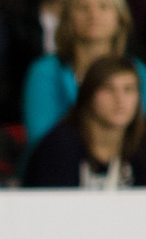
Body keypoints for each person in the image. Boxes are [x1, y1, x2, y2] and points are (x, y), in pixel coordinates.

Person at [22, 0, 146, 149]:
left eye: (103, 6)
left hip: (125, 164)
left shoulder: (137, 70)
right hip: (59, 163)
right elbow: (41, 139)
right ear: (68, 18)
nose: (93, 15)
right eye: (83, 7)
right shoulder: (44, 72)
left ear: (120, 18)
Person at [24, 54, 146, 185]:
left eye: (128, 89)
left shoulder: (141, 146)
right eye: (108, 89)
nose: (120, 99)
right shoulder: (59, 146)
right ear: (88, 95)